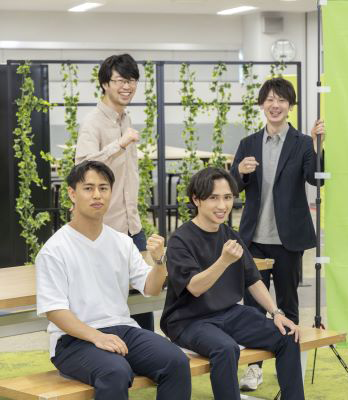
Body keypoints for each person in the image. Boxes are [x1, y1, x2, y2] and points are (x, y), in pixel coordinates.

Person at [36, 161, 190, 400]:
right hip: (73, 340)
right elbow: (55, 311)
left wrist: (159, 262)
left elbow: (151, 289)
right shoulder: (54, 249)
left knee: (177, 361)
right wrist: (97, 337)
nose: (97, 195)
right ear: (72, 194)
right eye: (88, 188)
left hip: (122, 329)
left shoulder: (121, 242)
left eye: (103, 188)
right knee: (115, 371)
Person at [161, 167, 304, 400]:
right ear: (196, 199)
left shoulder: (230, 235)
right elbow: (195, 288)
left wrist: (276, 312)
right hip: (188, 321)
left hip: (228, 313)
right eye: (214, 198)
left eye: (227, 198)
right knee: (225, 349)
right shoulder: (180, 240)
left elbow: (253, 278)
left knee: (287, 335)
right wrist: (223, 261)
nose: (222, 206)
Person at [229, 77, 323, 390]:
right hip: (254, 239)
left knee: (287, 302)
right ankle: (253, 368)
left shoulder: (300, 142)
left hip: (288, 239)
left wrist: (317, 144)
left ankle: (289, 366)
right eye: (269, 99)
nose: (275, 105)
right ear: (261, 105)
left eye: (281, 100)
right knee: (254, 308)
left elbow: (316, 179)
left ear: (290, 106)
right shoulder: (248, 143)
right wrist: (239, 172)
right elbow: (230, 187)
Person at [75, 53, 155, 331]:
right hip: (106, 229)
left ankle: (150, 357)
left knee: (145, 298)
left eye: (132, 80)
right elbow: (82, 168)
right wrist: (119, 145)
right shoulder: (93, 122)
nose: (127, 86)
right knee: (108, 304)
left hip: (133, 227)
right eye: (120, 80)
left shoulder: (126, 117)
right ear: (105, 84)